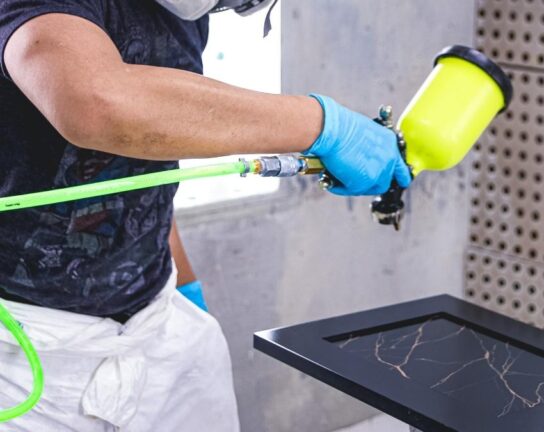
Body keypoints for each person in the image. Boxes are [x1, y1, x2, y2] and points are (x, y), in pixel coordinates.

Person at [0, 0, 411, 430]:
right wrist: (322, 125)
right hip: (27, 352)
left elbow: (143, 165)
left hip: (157, 319)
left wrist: (187, 291)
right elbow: (95, 101)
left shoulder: (182, 15)